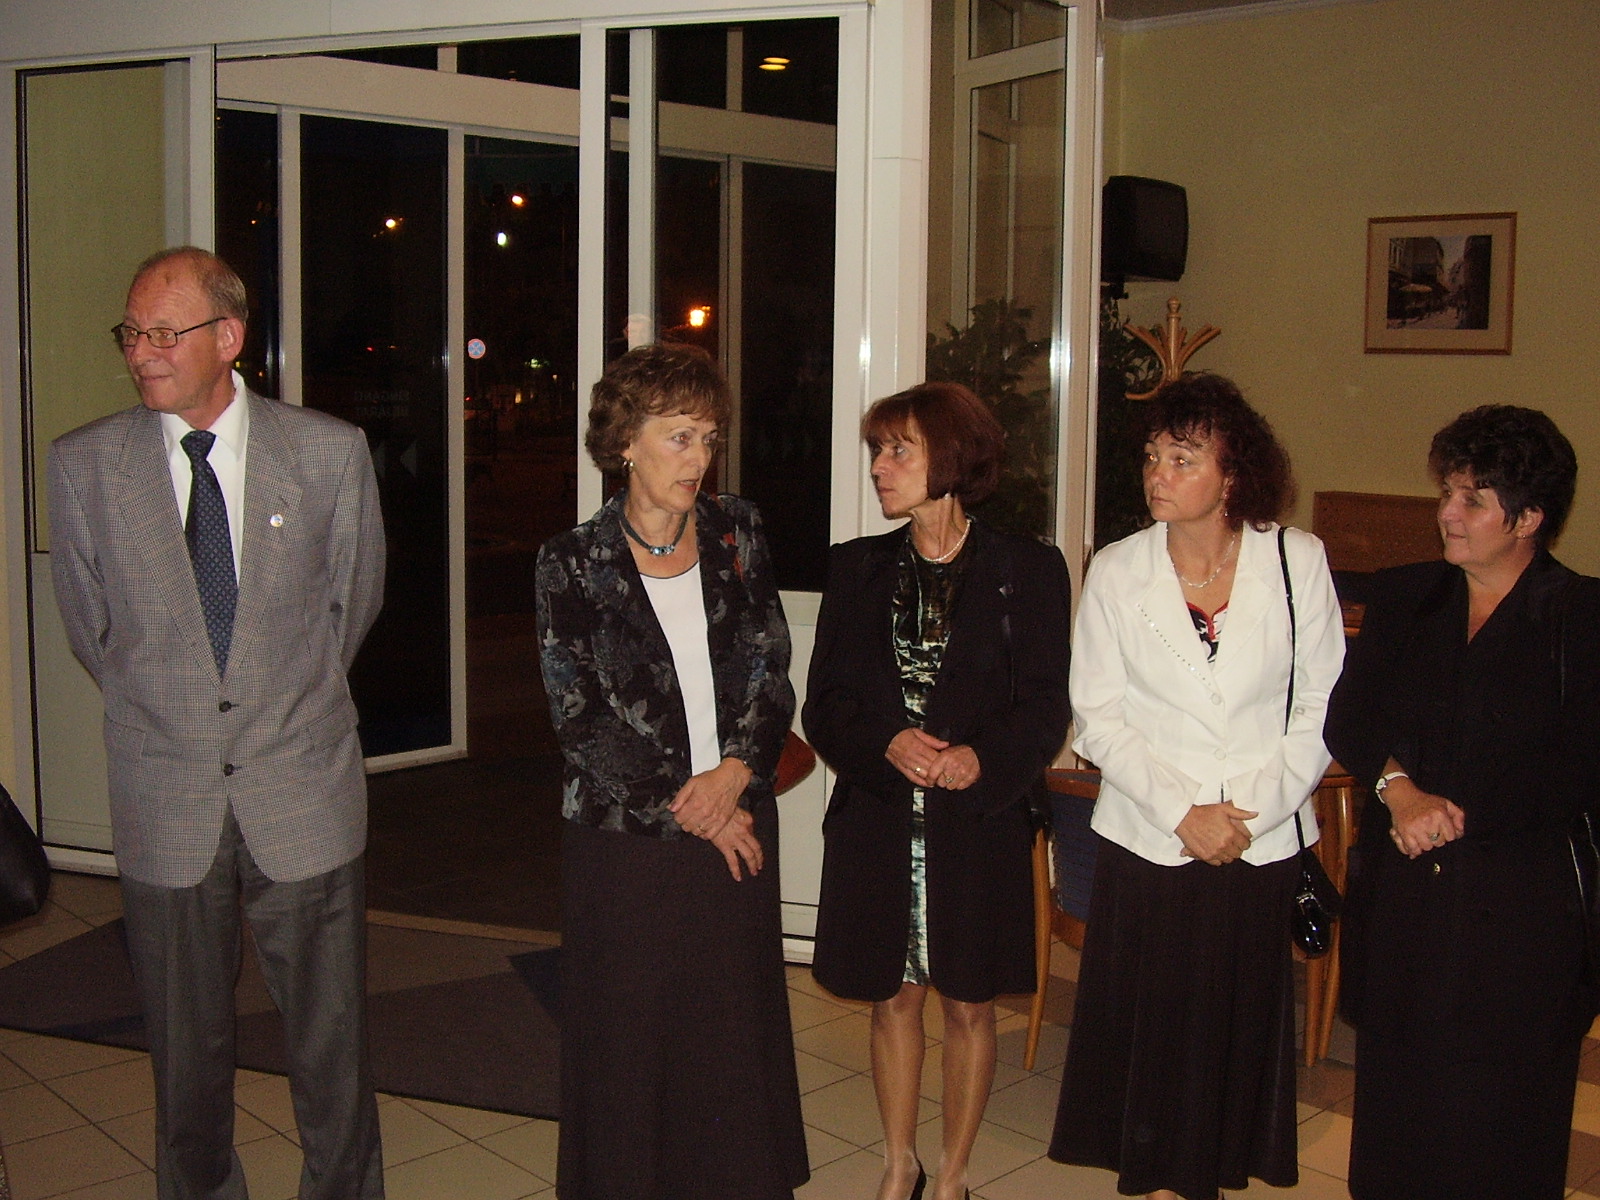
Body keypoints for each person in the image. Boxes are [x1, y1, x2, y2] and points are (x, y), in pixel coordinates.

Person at [48, 247, 387, 1199]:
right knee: (183, 1057)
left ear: (228, 337)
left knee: (333, 1050)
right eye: (131, 334)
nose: (141, 353)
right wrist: (184, 708)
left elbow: (350, 607)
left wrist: (277, 703)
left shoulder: (326, 454)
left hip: (302, 788)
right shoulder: (84, 466)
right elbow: (92, 630)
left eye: (164, 333)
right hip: (166, 797)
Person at [1048, 372, 1344, 1200]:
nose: (1157, 474)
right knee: (1155, 1029)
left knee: (1231, 1028)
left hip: (1258, 838)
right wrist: (1185, 814)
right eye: (1152, 456)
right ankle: (1159, 1179)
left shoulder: (1297, 560)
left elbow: (1321, 704)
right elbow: (1098, 717)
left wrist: (1247, 813)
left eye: (1182, 459)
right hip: (1151, 836)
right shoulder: (1117, 569)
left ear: (1233, 473)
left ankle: (1210, 1175)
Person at [534, 343, 808, 1200]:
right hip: (626, 842)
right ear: (625, 442)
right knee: (629, 1037)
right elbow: (580, 717)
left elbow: (771, 666)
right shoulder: (569, 561)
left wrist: (736, 774)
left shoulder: (737, 531)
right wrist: (695, 807)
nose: (699, 458)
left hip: (738, 816)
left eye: (709, 438)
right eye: (679, 436)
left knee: (729, 1029)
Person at [804, 381, 1072, 1200]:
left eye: (898, 450)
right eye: (877, 450)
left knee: (968, 1003)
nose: (879, 468)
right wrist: (883, 741)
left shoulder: (1029, 569)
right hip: (881, 819)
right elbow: (825, 706)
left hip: (976, 822)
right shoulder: (856, 567)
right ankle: (900, 1162)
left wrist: (982, 759)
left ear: (950, 459)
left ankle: (952, 1174)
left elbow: (1045, 706)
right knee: (892, 996)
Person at [1325, 405, 1599, 1200]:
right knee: (1397, 1120)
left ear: (1529, 518)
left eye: (1472, 500)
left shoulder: (1582, 617)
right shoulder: (1407, 595)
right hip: (1407, 901)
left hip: (1520, 915)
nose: (1447, 512)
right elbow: (1351, 717)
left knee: (1501, 1128)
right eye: (1447, 492)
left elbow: (1579, 767)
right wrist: (1400, 793)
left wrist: (1451, 816)